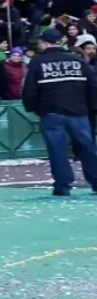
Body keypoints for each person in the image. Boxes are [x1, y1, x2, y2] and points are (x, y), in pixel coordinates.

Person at [20, 26, 97, 195]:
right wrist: (90, 109)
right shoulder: (78, 61)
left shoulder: (38, 63)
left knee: (57, 150)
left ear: (44, 43)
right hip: (79, 111)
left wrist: (36, 109)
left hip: (52, 112)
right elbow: (92, 87)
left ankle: (63, 185)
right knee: (87, 147)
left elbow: (30, 91)